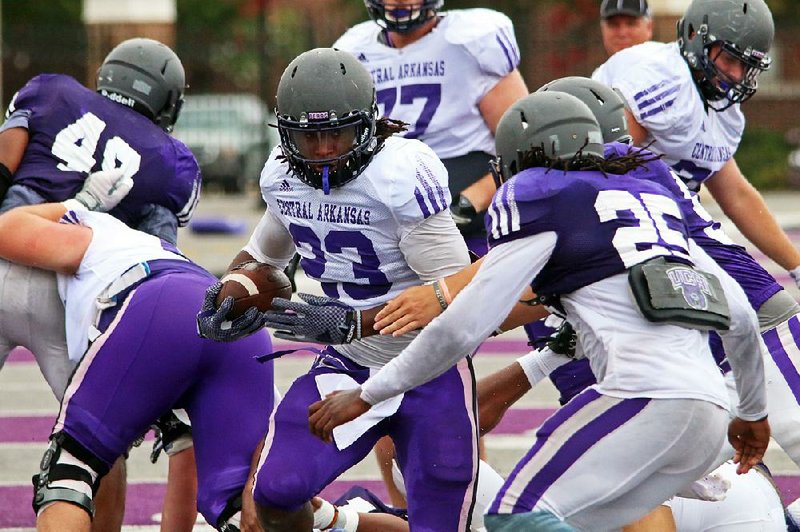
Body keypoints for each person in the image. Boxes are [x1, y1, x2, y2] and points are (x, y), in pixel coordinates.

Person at [304, 90, 771, 531]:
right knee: (588, 519)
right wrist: (752, 413)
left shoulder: (540, 194)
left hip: (643, 398)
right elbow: (743, 319)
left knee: (514, 514)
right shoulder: (651, 199)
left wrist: (369, 394)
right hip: (712, 414)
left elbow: (460, 330)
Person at [196, 47, 478, 531]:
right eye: (310, 137)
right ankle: (340, 522)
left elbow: (462, 295)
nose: (324, 149)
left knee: (440, 521)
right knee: (277, 492)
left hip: (429, 368)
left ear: (366, 127)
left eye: (337, 133)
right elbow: (265, 258)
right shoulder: (284, 179)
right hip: (350, 362)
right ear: (287, 136)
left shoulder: (398, 176)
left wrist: (357, 321)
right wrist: (230, 290)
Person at [0, 37, 202, 531]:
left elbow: (2, 170)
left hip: (7, 244)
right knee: (94, 437)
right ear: (167, 100)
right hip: (69, 291)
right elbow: (157, 262)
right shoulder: (174, 163)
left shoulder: (50, 92)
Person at [593, 0, 800, 464]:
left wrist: (795, 263)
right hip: (635, 219)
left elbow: (735, 193)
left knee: (716, 340)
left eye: (746, 66)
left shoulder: (724, 111)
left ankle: (713, 456)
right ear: (694, 41)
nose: (734, 75)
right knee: (768, 311)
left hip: (668, 221)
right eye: (728, 59)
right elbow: (611, 160)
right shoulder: (658, 75)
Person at [0, 194, 274, 532]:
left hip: (159, 303)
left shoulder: (92, 225)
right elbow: (187, 456)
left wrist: (77, 202)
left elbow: (6, 230)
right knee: (236, 506)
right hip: (239, 324)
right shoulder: (160, 248)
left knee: (70, 471)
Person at [333, 0, 528, 256]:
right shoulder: (351, 49)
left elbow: (524, 147)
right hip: (388, 207)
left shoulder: (474, 40)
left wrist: (469, 202)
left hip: (466, 202)